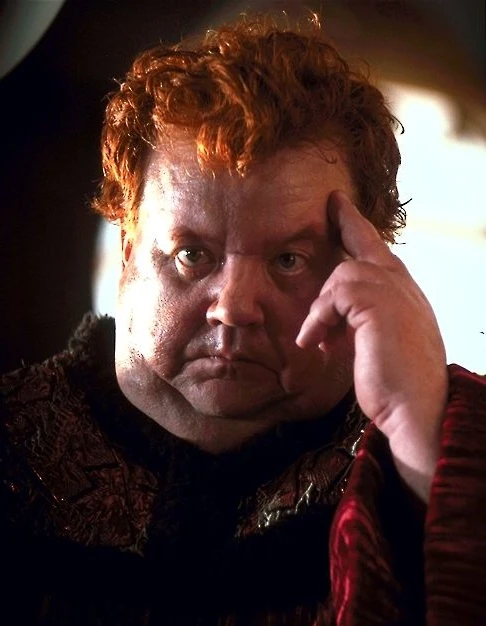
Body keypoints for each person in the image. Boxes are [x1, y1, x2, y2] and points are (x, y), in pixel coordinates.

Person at [1, 13, 485, 626]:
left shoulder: (443, 438)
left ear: (366, 262)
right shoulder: (12, 439)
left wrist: (422, 442)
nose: (233, 306)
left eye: (289, 260)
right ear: (127, 249)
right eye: (191, 254)